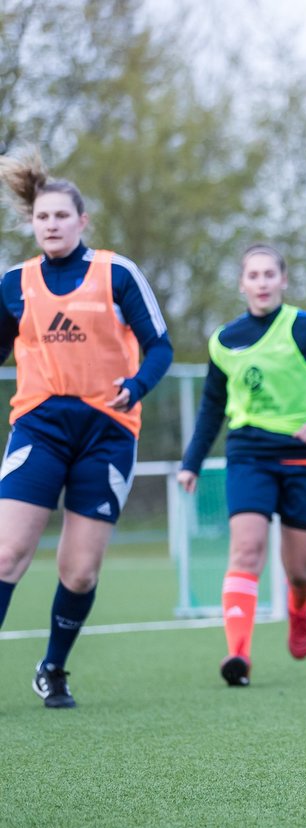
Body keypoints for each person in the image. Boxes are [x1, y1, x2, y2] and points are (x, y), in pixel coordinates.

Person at [0, 148, 173, 708]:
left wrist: (138, 385)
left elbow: (161, 346)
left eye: (61, 216)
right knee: (6, 555)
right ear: (32, 222)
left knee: (78, 571)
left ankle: (53, 667)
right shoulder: (14, 283)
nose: (51, 224)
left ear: (82, 221)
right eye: (42, 217)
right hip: (39, 428)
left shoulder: (116, 273)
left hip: (106, 432)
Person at [177, 243, 306, 687]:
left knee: (298, 570)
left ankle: (299, 610)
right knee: (246, 551)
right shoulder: (223, 341)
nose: (261, 282)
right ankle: (238, 654)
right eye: (252, 275)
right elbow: (212, 408)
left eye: (268, 274)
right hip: (248, 455)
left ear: (283, 280)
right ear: (242, 284)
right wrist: (192, 462)